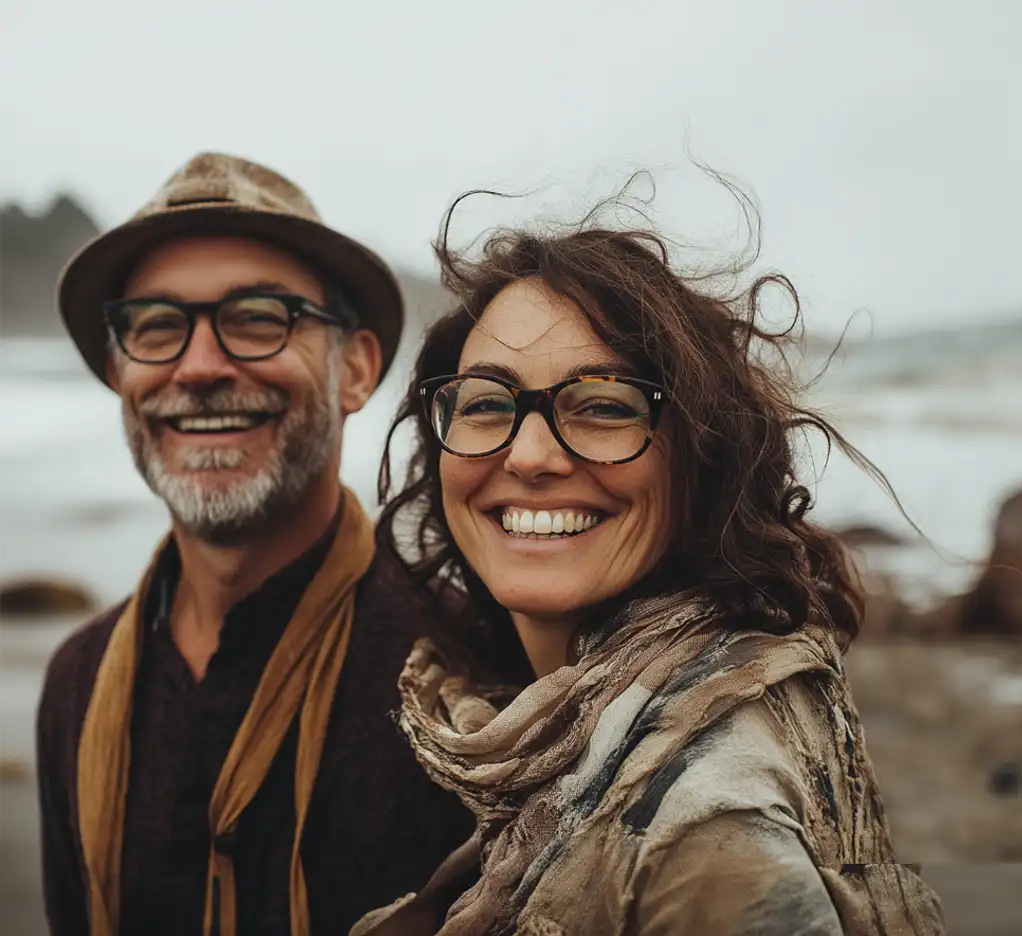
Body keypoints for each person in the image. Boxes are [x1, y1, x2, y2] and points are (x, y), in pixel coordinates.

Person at [354, 193, 948, 934]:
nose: (530, 454)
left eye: (603, 405)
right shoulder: (525, 716)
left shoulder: (705, 827)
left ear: (701, 458)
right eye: (484, 404)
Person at [35, 152, 474, 936]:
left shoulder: (468, 680)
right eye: (158, 326)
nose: (199, 367)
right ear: (118, 370)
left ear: (357, 369)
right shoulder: (77, 682)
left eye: (259, 316)